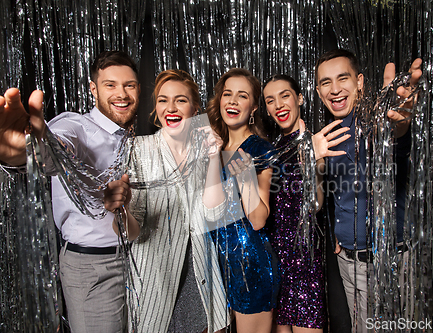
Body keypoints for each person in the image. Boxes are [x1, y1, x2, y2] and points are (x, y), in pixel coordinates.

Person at [0, 50, 140, 332]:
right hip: (93, 266)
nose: (121, 94)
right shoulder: (74, 126)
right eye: (110, 85)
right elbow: (53, 150)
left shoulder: (137, 139)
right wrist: (23, 151)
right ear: (93, 89)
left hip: (140, 260)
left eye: (130, 85)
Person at [103, 69, 229, 332]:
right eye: (163, 100)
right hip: (156, 277)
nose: (170, 107)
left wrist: (215, 157)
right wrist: (122, 210)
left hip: (199, 272)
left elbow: (215, 215)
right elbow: (131, 231)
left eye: (181, 100)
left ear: (195, 109)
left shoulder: (205, 150)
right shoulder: (137, 149)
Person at [315, 49, 422, 332]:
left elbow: (396, 141)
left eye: (343, 79)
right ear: (318, 90)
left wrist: (399, 124)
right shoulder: (326, 134)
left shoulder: (377, 121)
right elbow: (331, 194)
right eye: (326, 82)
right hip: (348, 262)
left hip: (386, 262)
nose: (335, 89)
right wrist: (336, 231)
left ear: (359, 81)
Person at [262, 74, 350, 333]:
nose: (278, 104)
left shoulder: (316, 142)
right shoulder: (270, 149)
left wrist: (311, 162)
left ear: (299, 98)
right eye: (270, 100)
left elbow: (316, 205)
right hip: (275, 261)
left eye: (285, 95)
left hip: (304, 262)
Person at [206, 68, 279, 333]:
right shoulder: (209, 146)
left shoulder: (261, 149)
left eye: (242, 95)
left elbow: (259, 220)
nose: (233, 101)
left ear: (254, 107)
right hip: (210, 267)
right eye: (227, 94)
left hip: (249, 267)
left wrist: (245, 177)